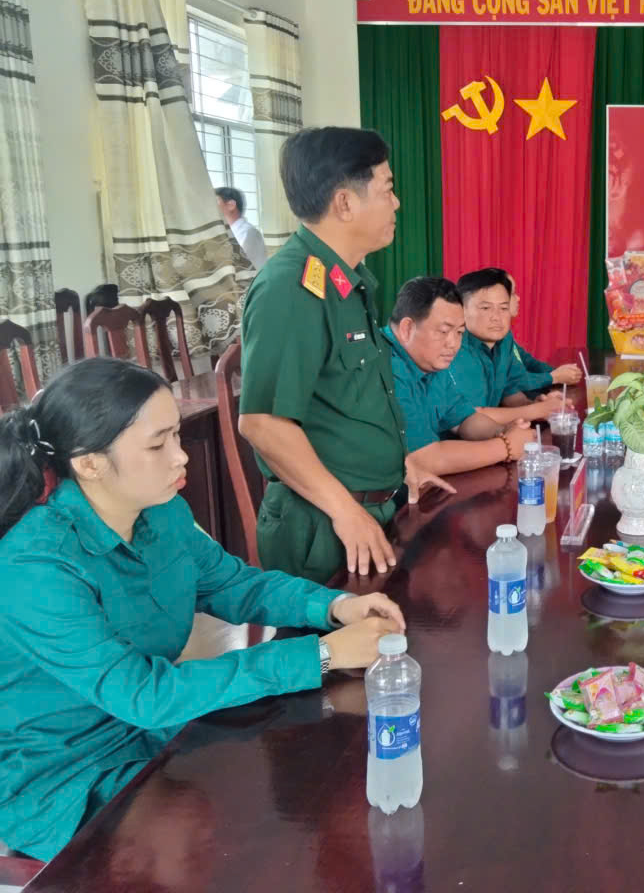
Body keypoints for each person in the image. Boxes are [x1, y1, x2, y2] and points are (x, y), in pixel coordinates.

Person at [0, 357, 406, 861]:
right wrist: (321, 655)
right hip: (64, 773)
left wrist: (336, 606)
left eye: (176, 435)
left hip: (156, 732)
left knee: (302, 780)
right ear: (89, 463)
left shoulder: (162, 511)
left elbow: (234, 584)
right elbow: (143, 694)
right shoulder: (34, 565)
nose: (180, 457)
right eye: (158, 444)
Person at [239, 127, 453, 583]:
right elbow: (263, 423)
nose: (396, 203)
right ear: (344, 203)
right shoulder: (291, 288)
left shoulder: (345, 281)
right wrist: (345, 511)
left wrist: (400, 468)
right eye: (387, 189)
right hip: (324, 528)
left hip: (367, 511)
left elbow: (347, 400)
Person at [382, 275, 538, 474]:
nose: (453, 344)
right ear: (407, 329)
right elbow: (424, 459)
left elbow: (464, 419)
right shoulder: (384, 367)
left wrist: (503, 431)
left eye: (459, 333)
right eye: (443, 331)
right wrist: (506, 446)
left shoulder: (429, 360)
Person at [448, 268, 582, 418]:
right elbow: (471, 416)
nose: (496, 317)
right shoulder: (455, 348)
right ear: (461, 310)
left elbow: (509, 391)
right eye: (486, 308)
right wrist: (537, 410)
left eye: (504, 308)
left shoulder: (503, 340)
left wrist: (535, 404)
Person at [215, 186, 267, 270]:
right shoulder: (225, 232)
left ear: (231, 205)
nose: (210, 207)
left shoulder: (249, 233)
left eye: (215, 201)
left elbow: (248, 268)